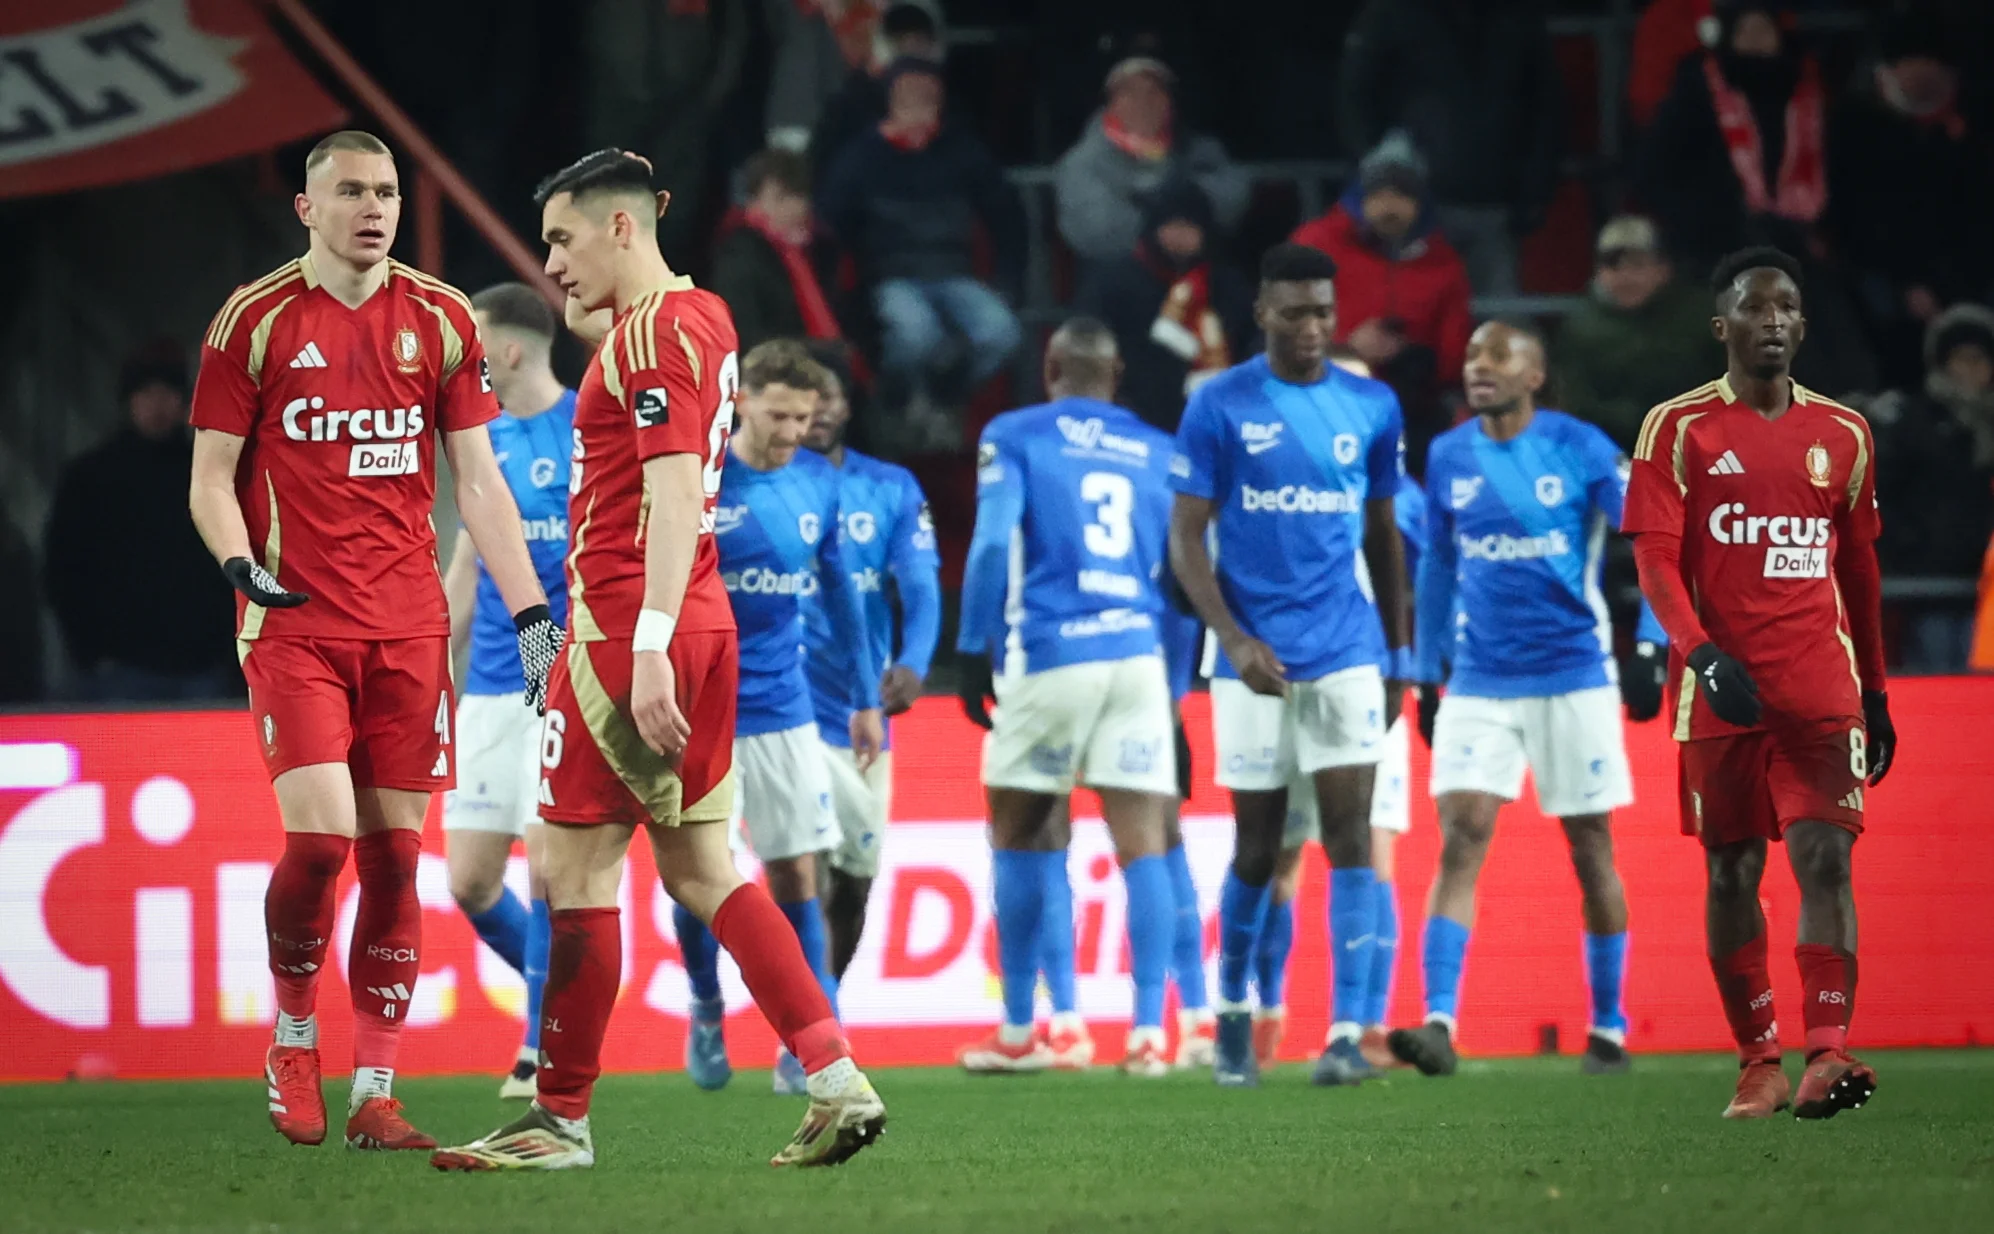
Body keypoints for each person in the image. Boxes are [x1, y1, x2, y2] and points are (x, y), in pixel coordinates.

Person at [432, 150, 885, 1171]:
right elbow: (629, 368)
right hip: (699, 621)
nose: (551, 263)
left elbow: (676, 493)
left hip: (629, 625)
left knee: (566, 864)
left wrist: (639, 648)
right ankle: (832, 1075)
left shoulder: (650, 337)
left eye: (561, 237)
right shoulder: (702, 317)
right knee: (699, 867)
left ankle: (558, 1119)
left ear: (621, 227)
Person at [187, 130, 561, 1153]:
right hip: (295, 622)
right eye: (350, 190)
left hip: (409, 629)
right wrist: (235, 564)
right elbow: (211, 478)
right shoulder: (254, 320)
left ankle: (375, 1094)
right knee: (320, 841)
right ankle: (294, 1035)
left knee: (396, 859)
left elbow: (478, 482)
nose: (374, 207)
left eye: (387, 191)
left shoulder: (440, 316)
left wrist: (532, 616)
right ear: (306, 207)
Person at [1624, 246, 1895, 1121]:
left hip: (1819, 685)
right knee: (1732, 871)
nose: (1773, 320)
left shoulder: (1844, 435)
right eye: (1755, 308)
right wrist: (1700, 653)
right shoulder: (1677, 428)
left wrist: (1880, 694)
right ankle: (1759, 1060)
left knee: (1825, 855)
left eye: (1787, 308)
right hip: (1720, 689)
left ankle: (1828, 1052)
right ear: (1722, 326)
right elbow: (1655, 561)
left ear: (1803, 325)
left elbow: (1859, 571)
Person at [1387, 320, 1668, 1081]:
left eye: (1498, 356)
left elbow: (1656, 538)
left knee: (1590, 848)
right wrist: (1426, 669)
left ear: (1534, 376)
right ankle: (1439, 1020)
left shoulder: (1579, 447)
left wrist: (1652, 641)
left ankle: (1608, 1026)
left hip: (1575, 676)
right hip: (1480, 678)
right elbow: (1440, 566)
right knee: (1462, 834)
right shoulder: (1447, 455)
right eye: (1473, 354)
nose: (1479, 367)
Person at [1166, 243, 1411, 1088]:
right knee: (1257, 848)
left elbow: (1384, 536)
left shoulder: (1373, 405)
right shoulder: (1219, 405)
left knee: (1351, 841)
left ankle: (1344, 1034)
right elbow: (1186, 537)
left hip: (1346, 647)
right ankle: (1231, 1012)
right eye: (1296, 312)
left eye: (1323, 313)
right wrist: (1232, 640)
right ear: (1263, 313)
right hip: (1250, 658)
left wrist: (1400, 656)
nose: (1312, 327)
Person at [953, 319, 1184, 1077]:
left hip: (1052, 652)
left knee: (1021, 833)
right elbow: (1184, 574)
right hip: (1139, 659)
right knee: (1143, 844)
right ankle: (1151, 1034)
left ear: (1050, 366)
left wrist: (970, 646)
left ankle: (1025, 1028)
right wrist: (1175, 689)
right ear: (1116, 376)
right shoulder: (1158, 449)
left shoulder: (1014, 433)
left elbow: (990, 543)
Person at [673, 341, 883, 1095]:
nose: (795, 430)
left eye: (806, 416)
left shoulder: (817, 484)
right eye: (780, 413)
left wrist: (863, 700)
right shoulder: (697, 477)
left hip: (784, 709)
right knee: (702, 874)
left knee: (798, 870)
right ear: (742, 402)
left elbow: (841, 596)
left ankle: (809, 1039)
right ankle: (705, 1004)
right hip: (698, 708)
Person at [1248, 391, 1424, 1071]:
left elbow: (1433, 571)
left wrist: (1408, 663)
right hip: (1289, 678)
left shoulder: (1399, 498)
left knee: (1373, 854)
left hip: (1368, 682)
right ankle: (1267, 1014)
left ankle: (1367, 1024)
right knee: (1279, 858)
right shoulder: (1269, 479)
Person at [438, 283, 575, 1101]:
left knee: (549, 873)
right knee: (470, 884)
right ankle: (560, 996)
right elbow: (465, 570)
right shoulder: (477, 438)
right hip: (490, 685)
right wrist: (430, 680)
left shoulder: (585, 434)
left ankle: (539, 1047)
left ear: (512, 350)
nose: (465, 356)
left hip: (556, 680)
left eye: (475, 340)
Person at [800, 344, 942, 985]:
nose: (817, 409)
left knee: (852, 884)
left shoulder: (889, 488)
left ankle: (822, 1011)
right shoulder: (737, 485)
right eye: (805, 398)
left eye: (828, 395)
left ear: (846, 405)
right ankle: (807, 1029)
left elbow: (918, 585)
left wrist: (914, 662)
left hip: (860, 708)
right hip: (778, 707)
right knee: (797, 869)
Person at [816, 56, 1025, 441]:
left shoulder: (961, 149)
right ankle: (896, 401)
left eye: (928, 96)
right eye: (909, 95)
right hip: (892, 276)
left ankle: (945, 398)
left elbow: (1006, 216)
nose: (919, 104)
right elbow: (829, 221)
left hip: (954, 273)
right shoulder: (863, 154)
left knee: (1002, 333)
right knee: (918, 336)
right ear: (891, 101)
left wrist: (1008, 282)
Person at [44, 345, 237, 701]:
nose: (158, 404)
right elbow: (64, 570)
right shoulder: (90, 477)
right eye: (146, 393)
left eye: (168, 393)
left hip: (203, 667)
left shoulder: (210, 474)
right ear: (129, 401)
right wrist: (90, 653)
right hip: (120, 669)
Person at [1336, 0, 1563, 296]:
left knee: (1500, 326)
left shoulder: (1516, 15)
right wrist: (1385, 179)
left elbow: (1546, 104)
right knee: (1417, 317)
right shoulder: (1390, 13)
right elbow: (1354, 99)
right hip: (1416, 206)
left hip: (1496, 202)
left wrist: (1534, 189)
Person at [1829, 7, 1994, 386]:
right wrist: (1908, 283)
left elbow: (1976, 215)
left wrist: (1951, 286)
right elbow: (1857, 218)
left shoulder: (1967, 129)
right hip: (1884, 279)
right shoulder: (1857, 124)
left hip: (1961, 278)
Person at [1291, 131, 1473, 464]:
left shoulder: (1444, 265)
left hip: (1407, 413)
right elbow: (1279, 331)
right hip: (1319, 402)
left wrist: (1415, 356)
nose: (1389, 206)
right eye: (1379, 194)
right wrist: (1347, 346)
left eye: (1402, 195)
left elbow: (1453, 360)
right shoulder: (1316, 244)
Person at [1867, 304, 1994, 672]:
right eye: (1962, 359)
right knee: (1938, 686)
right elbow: (1881, 495)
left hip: (1986, 592)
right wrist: (1908, 549)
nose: (1971, 370)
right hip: (1925, 589)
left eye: (1981, 360)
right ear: (1943, 363)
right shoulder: (1911, 422)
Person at [1075, 178, 1254, 433]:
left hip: (1214, 415)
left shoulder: (1225, 285)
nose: (1181, 236)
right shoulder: (1115, 282)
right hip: (1132, 416)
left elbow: (1249, 342)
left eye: (1189, 227)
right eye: (1172, 226)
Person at [1053, 57, 1249, 274]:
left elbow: (1234, 193)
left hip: (1199, 268)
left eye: (1154, 92)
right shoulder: (1083, 160)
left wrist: (1195, 218)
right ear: (1112, 103)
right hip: (1119, 276)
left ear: (1170, 101)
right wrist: (1154, 232)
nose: (1143, 103)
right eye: (1130, 93)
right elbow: (1093, 226)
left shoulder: (1200, 148)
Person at [1558, 216, 1724, 455]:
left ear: (1663, 269)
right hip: (1610, 450)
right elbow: (1576, 402)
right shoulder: (1579, 328)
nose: (1626, 277)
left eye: (1637, 265)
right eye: (1614, 266)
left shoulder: (1702, 319)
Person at [711, 149, 848, 355]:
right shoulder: (739, 255)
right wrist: (817, 351)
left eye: (799, 196)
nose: (794, 207)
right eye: (781, 198)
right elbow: (745, 335)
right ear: (753, 202)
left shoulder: (823, 250)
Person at [807, 2, 946, 168]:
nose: (909, 49)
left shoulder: (957, 112)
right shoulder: (848, 108)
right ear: (882, 46)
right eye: (899, 40)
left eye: (919, 40)